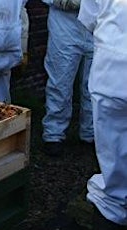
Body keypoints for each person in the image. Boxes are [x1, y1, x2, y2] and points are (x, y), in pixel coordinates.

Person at [78, 0, 127, 228]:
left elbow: (89, 18)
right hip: (111, 71)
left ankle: (112, 207)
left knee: (112, 148)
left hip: (111, 70)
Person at [40, 0, 95, 157]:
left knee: (94, 84)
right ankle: (53, 134)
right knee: (60, 81)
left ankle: (90, 133)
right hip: (64, 25)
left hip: (97, 27)